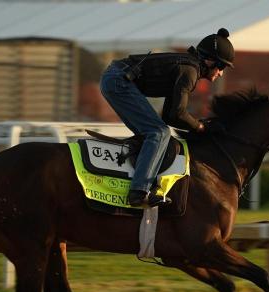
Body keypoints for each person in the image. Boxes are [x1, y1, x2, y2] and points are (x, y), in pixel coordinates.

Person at [100, 28, 235, 208]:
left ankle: (137, 180)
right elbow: (177, 114)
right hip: (119, 80)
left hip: (116, 78)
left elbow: (171, 116)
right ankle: (139, 192)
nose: (221, 73)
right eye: (222, 66)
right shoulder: (189, 72)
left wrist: (199, 125)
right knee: (158, 132)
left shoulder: (189, 67)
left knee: (157, 132)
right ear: (210, 61)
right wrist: (201, 128)